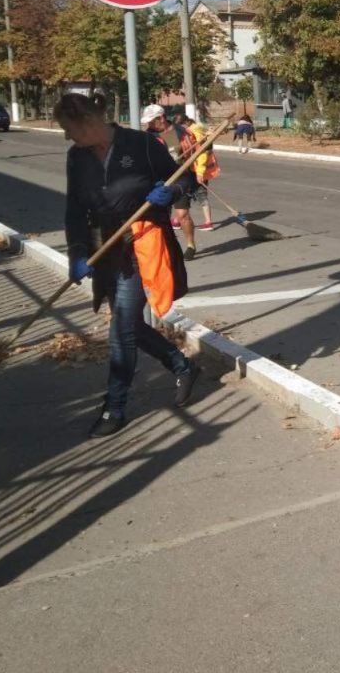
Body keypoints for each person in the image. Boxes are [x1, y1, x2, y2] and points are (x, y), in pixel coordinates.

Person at [57, 93, 200, 438]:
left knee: (121, 325)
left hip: (142, 242)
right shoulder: (78, 157)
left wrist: (169, 192)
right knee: (130, 324)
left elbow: (186, 179)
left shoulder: (141, 145)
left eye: (70, 129)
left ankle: (114, 407)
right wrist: (77, 251)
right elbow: (75, 210)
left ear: (88, 122)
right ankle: (181, 364)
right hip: (104, 249)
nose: (68, 137)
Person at [141, 104, 199, 259]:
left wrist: (192, 156)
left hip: (181, 178)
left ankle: (190, 244)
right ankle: (167, 245)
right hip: (161, 181)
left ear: (161, 118)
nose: (149, 125)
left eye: (152, 121)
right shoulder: (149, 137)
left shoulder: (180, 131)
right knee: (162, 217)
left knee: (182, 214)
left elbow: (195, 150)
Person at [177, 114, 219, 231]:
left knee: (200, 194)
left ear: (185, 123)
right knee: (185, 194)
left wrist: (200, 173)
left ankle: (208, 222)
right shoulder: (198, 130)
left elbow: (202, 154)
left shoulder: (194, 133)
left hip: (198, 170)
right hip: (195, 170)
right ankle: (179, 219)